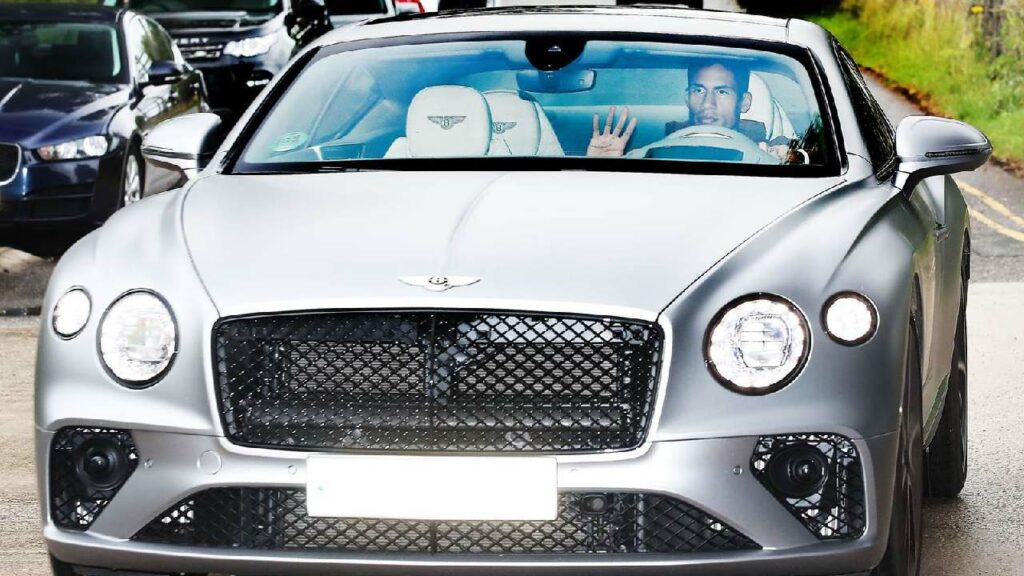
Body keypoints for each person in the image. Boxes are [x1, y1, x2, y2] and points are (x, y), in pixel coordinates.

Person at [586, 61, 792, 161]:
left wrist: (790, 159)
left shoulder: (769, 154)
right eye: (698, 90)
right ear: (687, 97)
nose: (707, 103)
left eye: (722, 92)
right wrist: (600, 166)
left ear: (744, 102)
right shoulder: (650, 155)